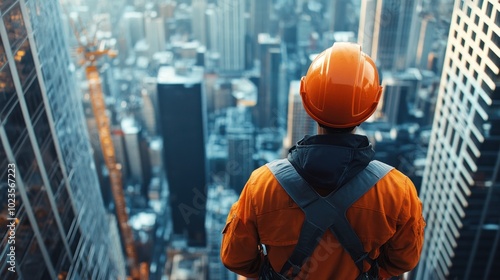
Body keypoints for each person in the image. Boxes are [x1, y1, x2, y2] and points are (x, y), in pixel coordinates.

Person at [220, 42, 425, 279]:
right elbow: (403, 260)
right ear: (372, 104)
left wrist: (274, 273)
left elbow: (235, 258)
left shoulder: (262, 185)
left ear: (306, 99)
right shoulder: (398, 191)